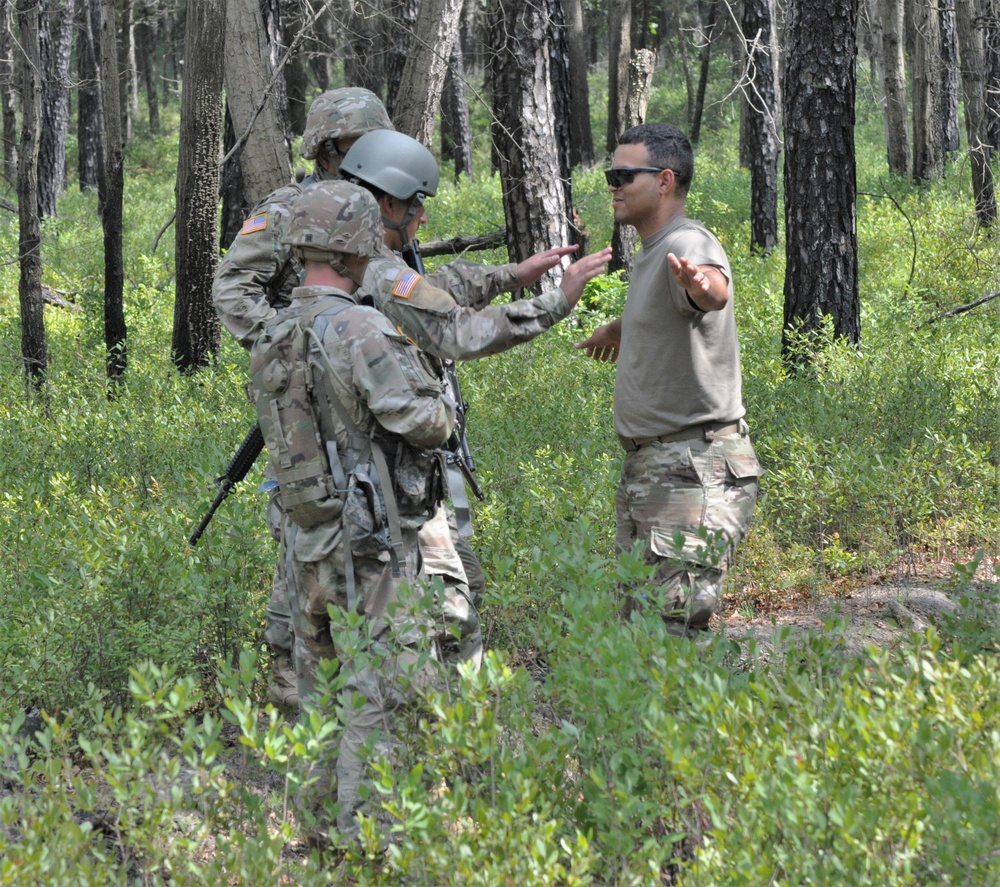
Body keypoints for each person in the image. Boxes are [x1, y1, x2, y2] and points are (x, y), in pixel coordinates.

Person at [338, 128, 613, 666]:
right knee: (448, 620)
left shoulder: (345, 262)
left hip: (380, 480)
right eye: (418, 206)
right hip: (393, 481)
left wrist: (512, 274)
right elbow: (457, 331)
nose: (422, 220)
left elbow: (433, 289)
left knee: (452, 596)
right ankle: (457, 734)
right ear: (388, 202)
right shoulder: (379, 272)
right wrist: (555, 302)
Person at [249, 179, 455, 846]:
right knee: (376, 694)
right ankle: (371, 841)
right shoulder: (362, 326)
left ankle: (313, 830)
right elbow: (419, 419)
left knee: (319, 691)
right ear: (354, 249)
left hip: (305, 536)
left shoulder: (275, 328)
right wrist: (442, 402)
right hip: (369, 545)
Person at [213, 87, 394, 709]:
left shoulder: (383, 203)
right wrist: (297, 346)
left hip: (380, 394)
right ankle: (296, 685)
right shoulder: (288, 206)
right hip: (311, 407)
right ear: (329, 148)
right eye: (356, 143)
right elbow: (233, 288)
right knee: (309, 524)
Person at [575, 123, 764, 637]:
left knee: (672, 635)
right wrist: (623, 329)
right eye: (610, 174)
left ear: (663, 181)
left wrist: (706, 286)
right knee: (642, 632)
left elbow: (711, 289)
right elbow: (675, 311)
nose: (612, 185)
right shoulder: (652, 249)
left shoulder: (688, 241)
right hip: (658, 467)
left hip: (692, 468)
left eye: (622, 175)